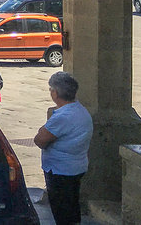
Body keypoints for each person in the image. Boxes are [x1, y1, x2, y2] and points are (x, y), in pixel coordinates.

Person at [34, 72, 93, 225]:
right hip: (77, 166)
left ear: (56, 93)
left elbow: (40, 140)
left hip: (60, 170)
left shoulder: (62, 117)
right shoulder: (81, 111)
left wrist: (43, 129)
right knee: (72, 207)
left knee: (62, 212)